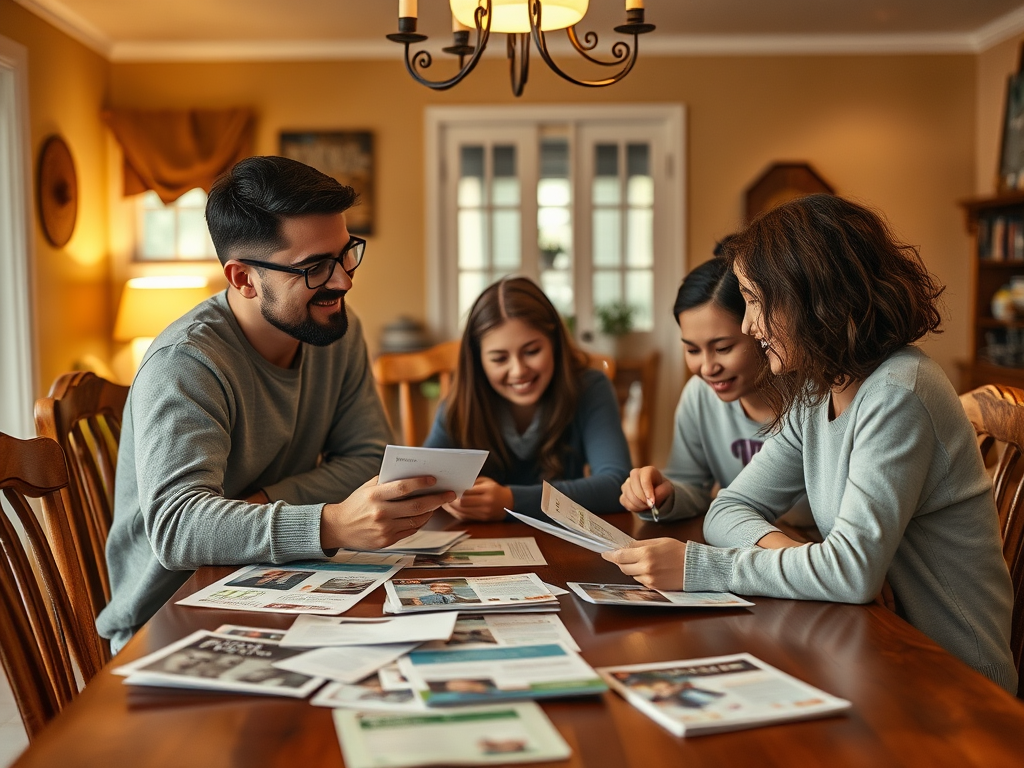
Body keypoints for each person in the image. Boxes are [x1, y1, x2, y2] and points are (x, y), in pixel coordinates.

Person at [604, 194, 1017, 693]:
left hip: (951, 681)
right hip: (875, 651)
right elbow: (727, 508)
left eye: (756, 301)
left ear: (812, 298)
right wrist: (793, 550)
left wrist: (697, 567)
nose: (749, 326)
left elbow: (850, 574)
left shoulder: (899, 391)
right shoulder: (816, 391)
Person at [97, 156, 455, 654]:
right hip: (169, 617)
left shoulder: (332, 331)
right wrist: (329, 523)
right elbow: (179, 529)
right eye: (314, 268)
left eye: (345, 254)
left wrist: (263, 502)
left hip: (280, 582)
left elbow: (367, 458)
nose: (343, 282)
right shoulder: (186, 363)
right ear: (242, 278)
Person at [423, 277, 631, 520]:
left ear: (554, 344)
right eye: (499, 359)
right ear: (478, 362)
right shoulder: (460, 405)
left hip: (562, 548)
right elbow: (422, 480)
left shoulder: (590, 388)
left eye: (532, 351)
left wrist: (512, 501)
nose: (519, 370)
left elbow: (616, 485)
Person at [618, 254, 773, 522]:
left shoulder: (815, 400)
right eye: (692, 349)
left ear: (759, 329)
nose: (707, 367)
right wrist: (662, 495)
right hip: (746, 544)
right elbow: (692, 486)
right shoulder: (700, 394)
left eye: (723, 348)